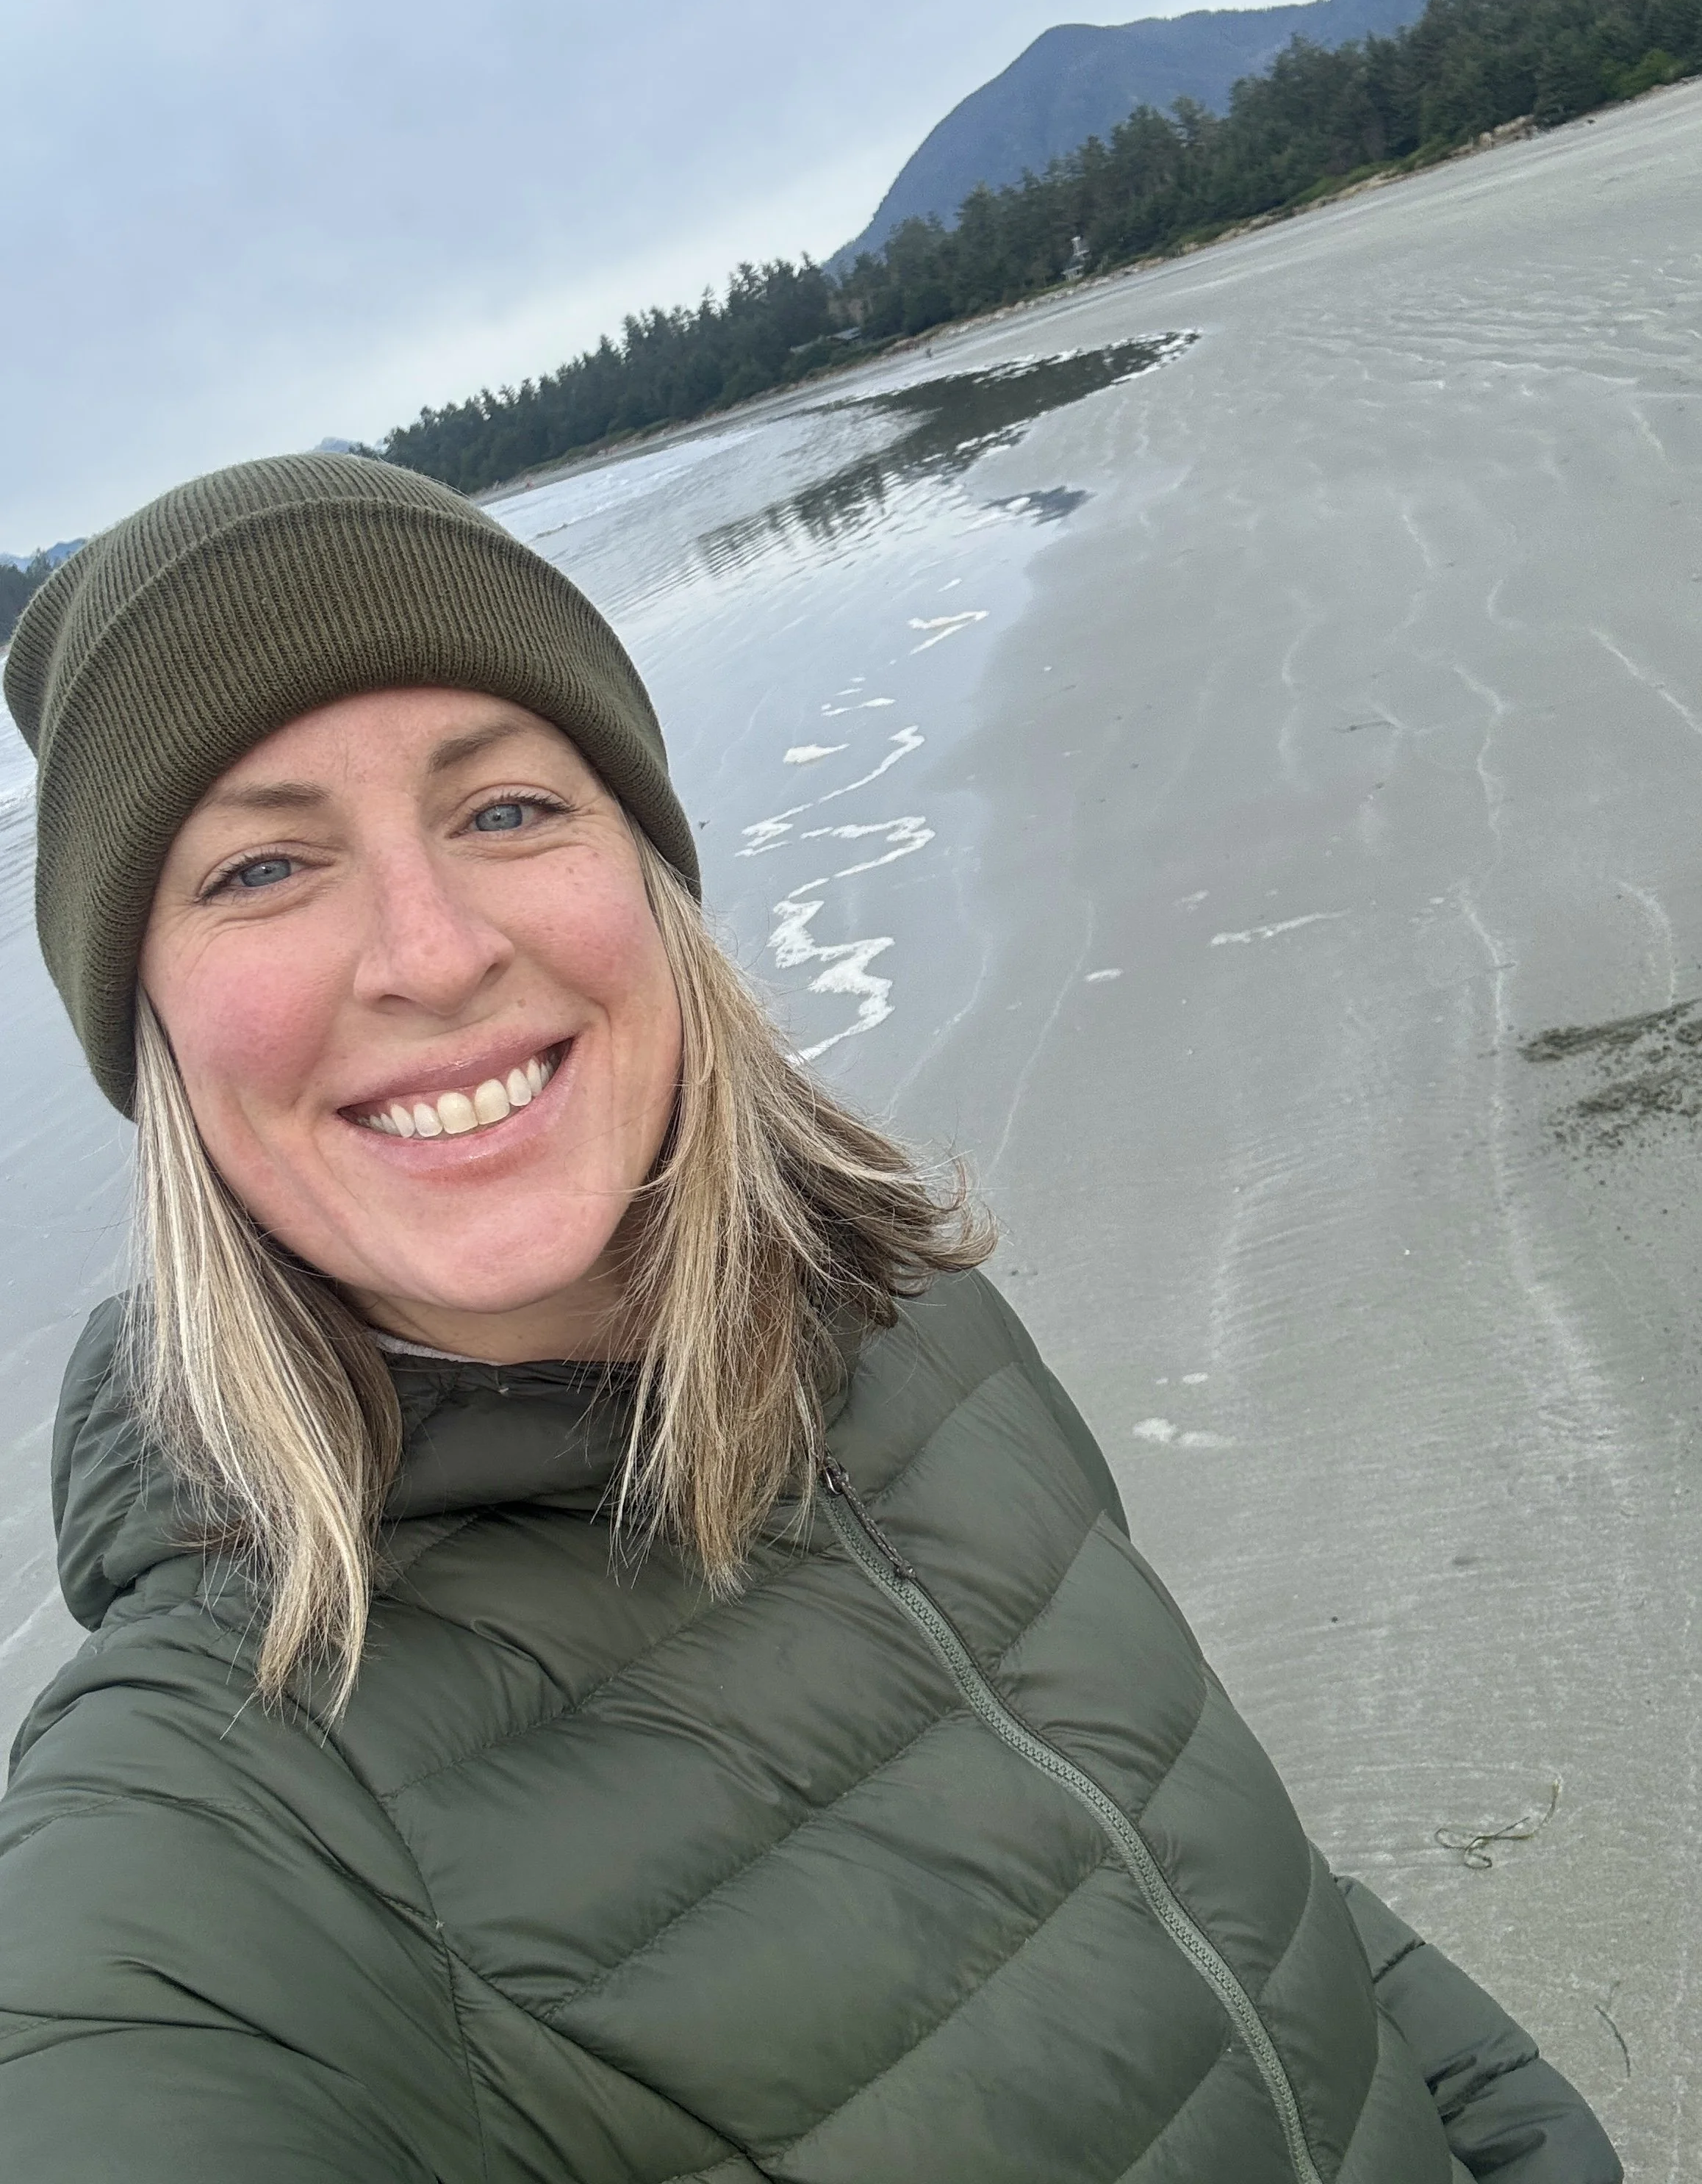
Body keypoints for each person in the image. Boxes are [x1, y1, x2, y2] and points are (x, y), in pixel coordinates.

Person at [0, 453, 1618, 2182]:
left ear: (649, 873)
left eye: (506, 809)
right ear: (149, 1020)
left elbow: (1234, 1883)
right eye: (260, 869)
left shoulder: (916, 1327)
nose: (431, 948)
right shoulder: (211, 1825)